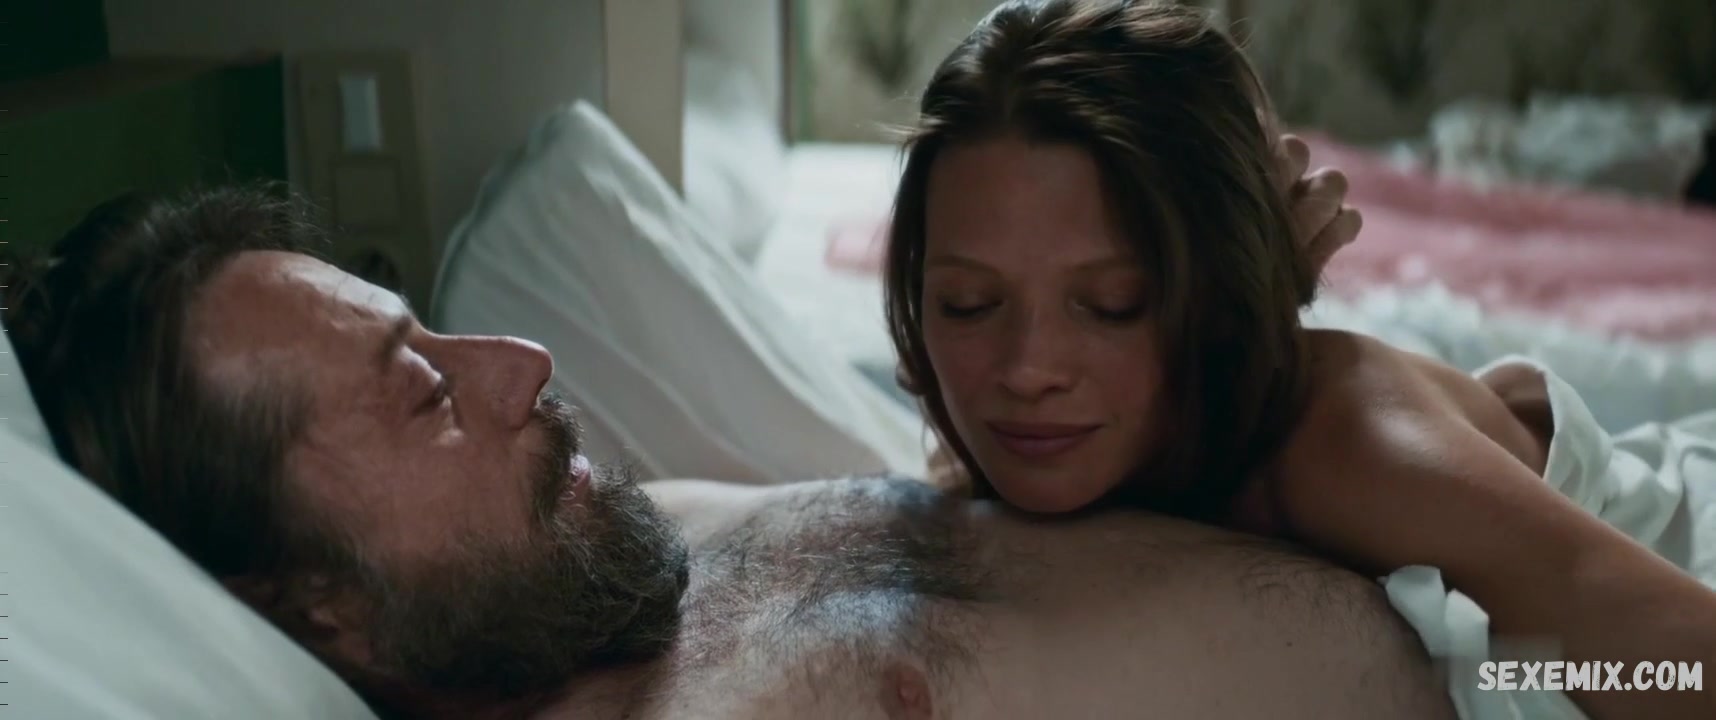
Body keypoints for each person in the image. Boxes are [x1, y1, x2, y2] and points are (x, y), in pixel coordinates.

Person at [3, 173, 1452, 720]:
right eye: (425, 393)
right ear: (315, 606)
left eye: (440, 332)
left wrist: (1215, 340)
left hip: (1503, 629)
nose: (521, 365)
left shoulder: (623, 545)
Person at [881, 2, 1716, 719]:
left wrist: (1460, 673)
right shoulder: (1011, 439)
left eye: (1113, 304)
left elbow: (1681, 670)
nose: (1027, 370)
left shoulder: (1352, 449)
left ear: (1218, 300)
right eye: (969, 304)